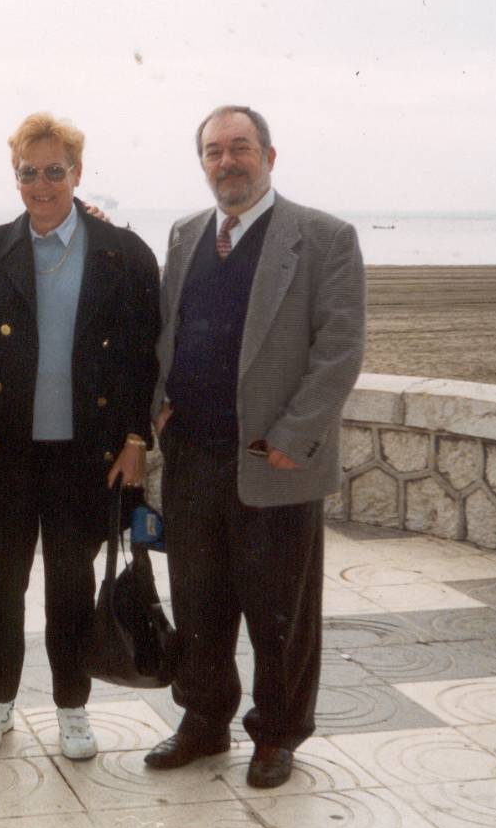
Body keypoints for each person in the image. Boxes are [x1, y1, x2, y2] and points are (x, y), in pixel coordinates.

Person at [145, 105, 365, 788]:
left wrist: (294, 437)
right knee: (198, 600)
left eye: (240, 147)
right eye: (214, 151)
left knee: (281, 612)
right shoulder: (185, 234)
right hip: (192, 456)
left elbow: (339, 348)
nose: (227, 161)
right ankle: (204, 720)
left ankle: (277, 733)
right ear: (202, 162)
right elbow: (165, 331)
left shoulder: (323, 237)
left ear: (270, 154)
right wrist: (159, 407)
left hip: (275, 459)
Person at [0, 113, 159, 759]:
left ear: (78, 172)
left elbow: (141, 356)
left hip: (86, 453)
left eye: (54, 171)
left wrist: (136, 438)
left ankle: (73, 707)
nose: (41, 184)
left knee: (71, 587)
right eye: (28, 172)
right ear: (13, 176)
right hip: (7, 450)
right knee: (2, 585)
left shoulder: (122, 253)